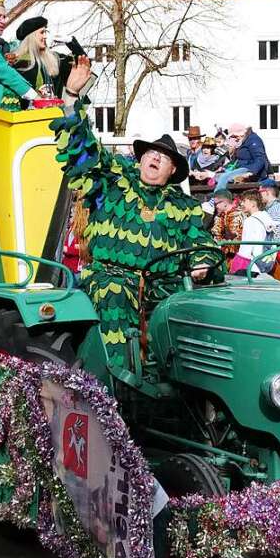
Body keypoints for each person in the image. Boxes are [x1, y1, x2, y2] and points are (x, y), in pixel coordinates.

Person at [54, 91, 217, 370]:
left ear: (172, 169)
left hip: (161, 286)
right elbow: (85, 151)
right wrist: (70, 98)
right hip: (108, 281)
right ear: (140, 159)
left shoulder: (186, 206)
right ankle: (116, 384)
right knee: (114, 292)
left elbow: (202, 243)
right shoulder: (113, 183)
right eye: (150, 153)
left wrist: (202, 263)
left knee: (193, 308)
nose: (155, 158)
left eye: (163, 157)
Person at [12, 16, 84, 100]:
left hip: (54, 111)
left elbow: (83, 66)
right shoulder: (18, 63)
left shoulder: (55, 59)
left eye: (45, 32)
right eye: (42, 32)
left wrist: (71, 42)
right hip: (27, 112)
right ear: (31, 37)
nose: (45, 36)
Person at [230, 191, 277, 276]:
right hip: (264, 263)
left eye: (244, 201)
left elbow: (246, 248)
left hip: (251, 265)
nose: (241, 203)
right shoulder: (267, 218)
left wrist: (237, 265)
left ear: (253, 204)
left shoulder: (250, 221)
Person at [214, 123, 269, 190]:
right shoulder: (242, 141)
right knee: (217, 177)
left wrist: (251, 172)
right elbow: (237, 159)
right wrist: (224, 168)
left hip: (249, 168)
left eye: (235, 136)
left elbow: (260, 159)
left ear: (241, 133)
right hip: (241, 167)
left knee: (224, 178)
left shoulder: (253, 140)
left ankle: (219, 197)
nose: (234, 138)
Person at [210, 190, 244, 264]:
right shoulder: (220, 215)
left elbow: (233, 237)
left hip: (236, 257)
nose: (215, 207)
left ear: (225, 203)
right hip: (223, 255)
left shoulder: (237, 215)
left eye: (216, 204)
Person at [257, 179, 280, 244]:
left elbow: (277, 235)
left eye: (260, 192)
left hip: (277, 250)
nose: (259, 195)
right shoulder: (270, 208)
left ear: (267, 192)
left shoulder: (277, 209)